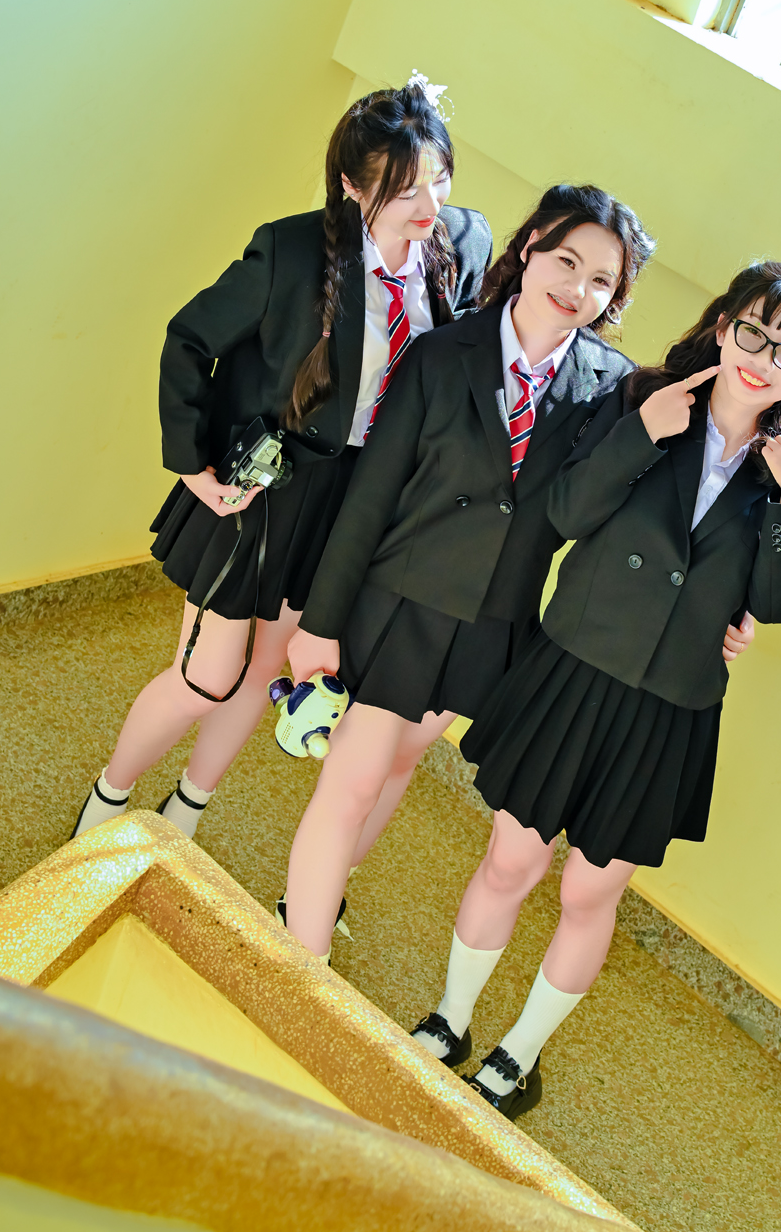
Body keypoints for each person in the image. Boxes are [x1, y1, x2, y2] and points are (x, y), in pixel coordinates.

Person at [413, 259, 781, 1118]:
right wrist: (640, 435)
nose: (763, 358)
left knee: (588, 891)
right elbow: (566, 513)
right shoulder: (642, 401)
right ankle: (449, 1021)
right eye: (753, 332)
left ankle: (517, 1056)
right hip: (573, 670)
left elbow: (779, 602)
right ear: (722, 327)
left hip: (667, 709)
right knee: (511, 861)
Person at [70, 75, 490, 843]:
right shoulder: (292, 251)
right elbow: (188, 340)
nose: (429, 206)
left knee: (265, 669)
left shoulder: (464, 242)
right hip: (267, 486)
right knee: (206, 675)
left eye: (440, 180)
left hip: (354, 501)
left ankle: (185, 812)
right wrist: (191, 463)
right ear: (351, 187)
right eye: (405, 192)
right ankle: (109, 796)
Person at [276, 184, 665, 961]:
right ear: (530, 248)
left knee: (400, 764)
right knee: (352, 780)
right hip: (399, 601)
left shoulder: (609, 389)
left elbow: (602, 515)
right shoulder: (443, 352)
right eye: (566, 261)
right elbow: (370, 498)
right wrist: (318, 625)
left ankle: (311, 897)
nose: (578, 288)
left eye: (602, 280)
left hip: (493, 622)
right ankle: (297, 964)